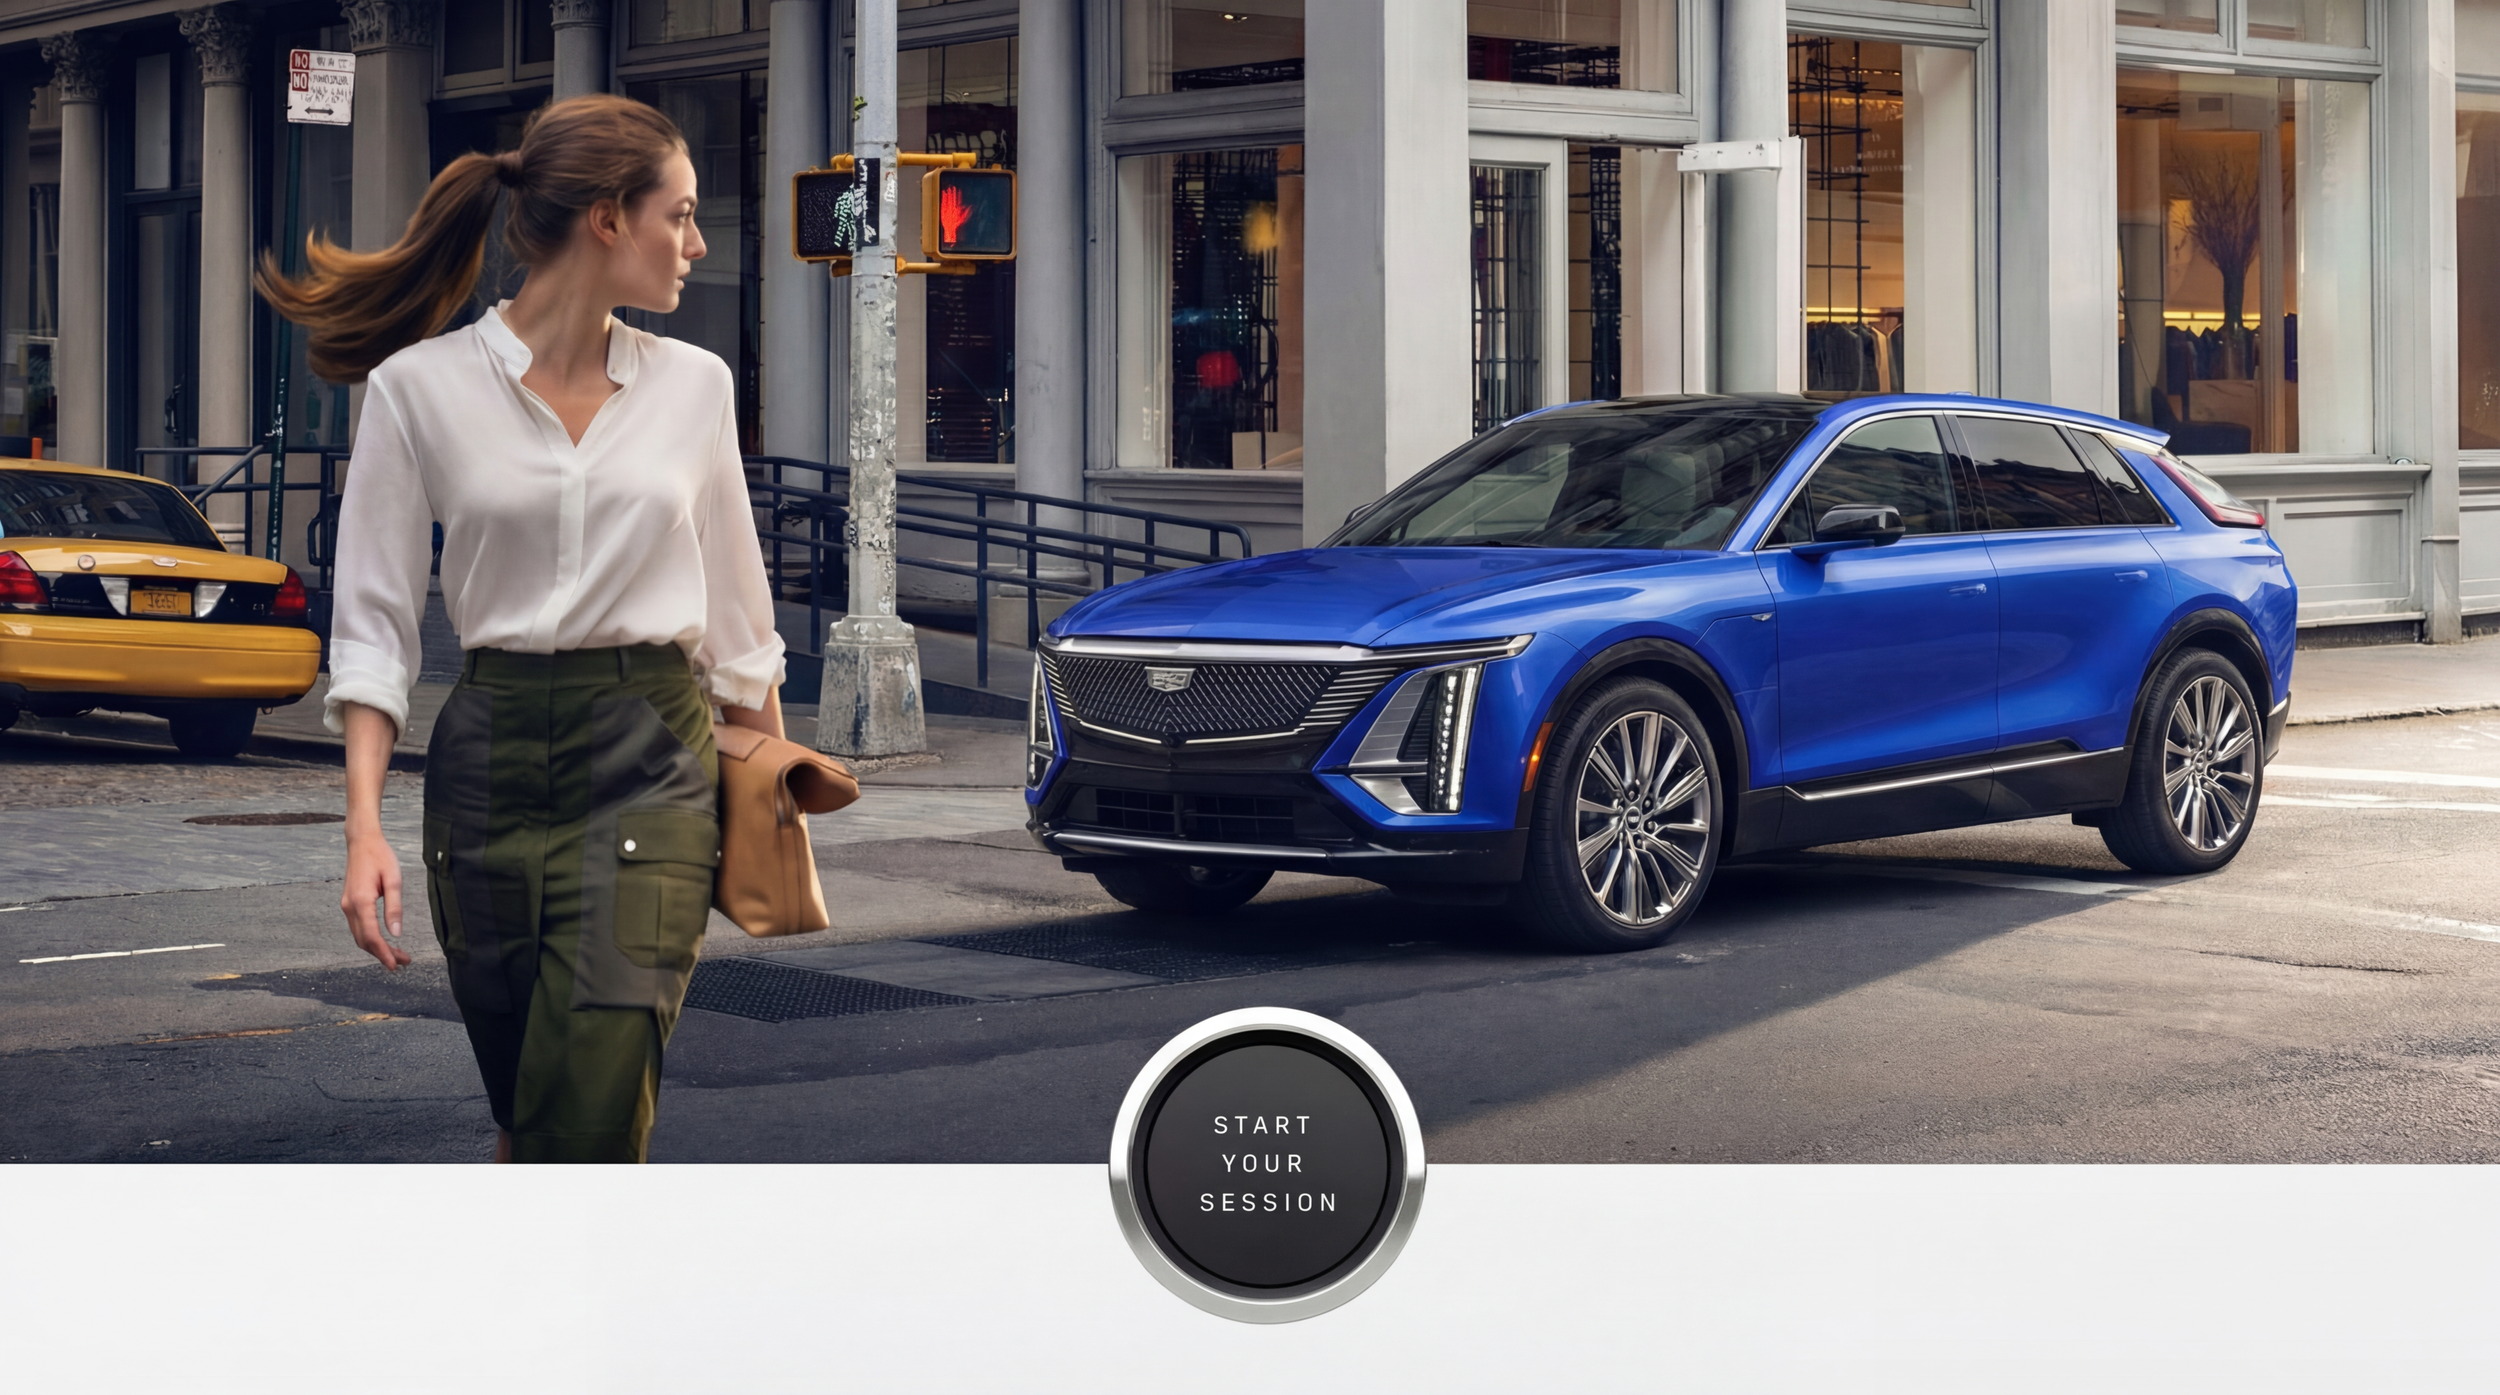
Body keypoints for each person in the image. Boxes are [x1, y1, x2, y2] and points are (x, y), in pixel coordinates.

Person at [257, 95, 786, 1163]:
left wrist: (773, 808)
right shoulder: (418, 390)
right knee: (528, 1103)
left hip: (652, 754)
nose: (695, 244)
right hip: (487, 761)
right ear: (606, 218)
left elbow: (738, 617)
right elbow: (372, 626)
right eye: (677, 216)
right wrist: (363, 830)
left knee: (587, 1105)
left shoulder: (695, 387)